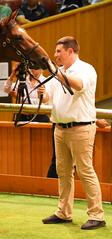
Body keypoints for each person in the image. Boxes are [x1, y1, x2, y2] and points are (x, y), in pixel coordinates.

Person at [40, 36, 105, 230]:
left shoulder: (86, 69)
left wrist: (55, 73)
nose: (55, 55)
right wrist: (42, 93)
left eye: (59, 51)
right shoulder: (59, 71)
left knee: (85, 171)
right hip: (59, 128)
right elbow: (48, 99)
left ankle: (97, 215)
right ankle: (64, 212)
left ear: (71, 51)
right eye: (55, 51)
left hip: (81, 128)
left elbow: (77, 85)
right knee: (63, 172)